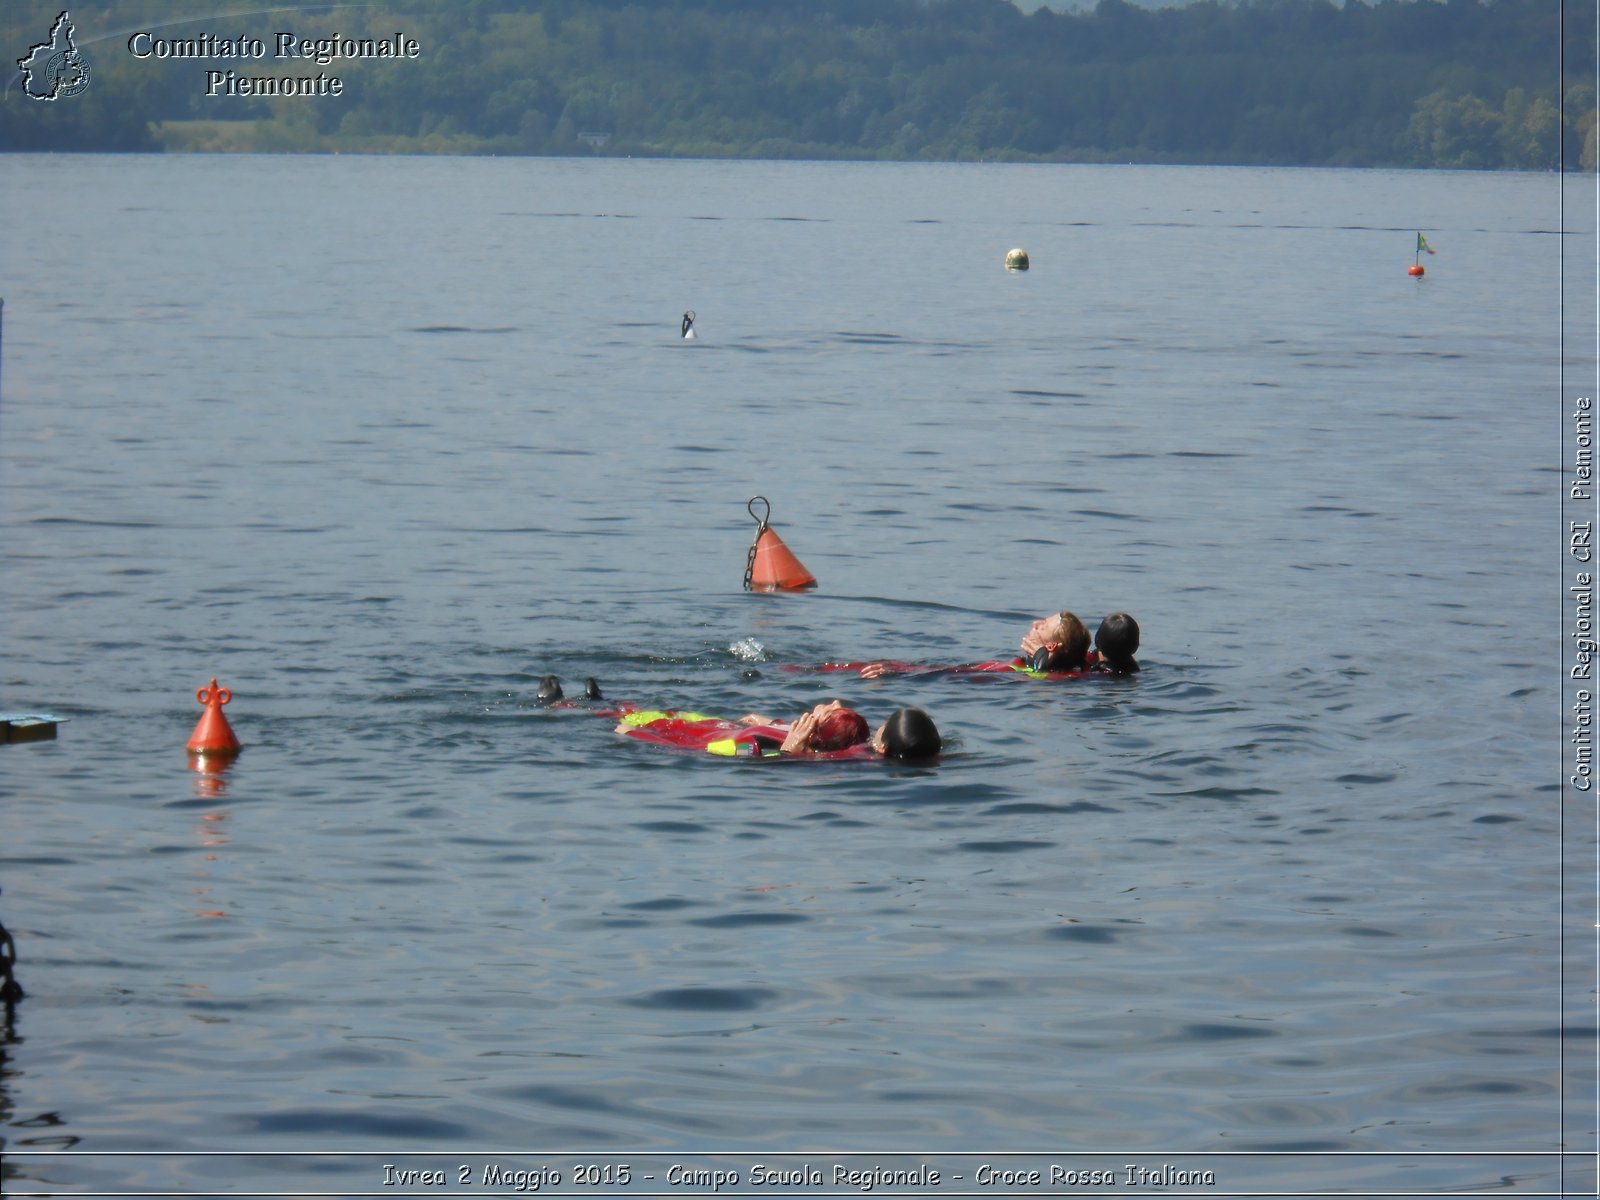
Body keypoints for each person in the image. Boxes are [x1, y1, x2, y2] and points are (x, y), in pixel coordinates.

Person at [617, 698, 941, 761]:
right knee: (656, 713)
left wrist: (789, 751)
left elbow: (691, 749)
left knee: (634, 722)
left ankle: (587, 707)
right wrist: (771, 723)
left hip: (723, 744)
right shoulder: (857, 745)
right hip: (724, 729)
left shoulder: (845, 755)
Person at [856, 609, 1098, 679]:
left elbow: (951, 675)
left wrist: (895, 674)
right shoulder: (1079, 666)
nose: (1035, 623)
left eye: (1043, 625)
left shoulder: (1028, 675)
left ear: (1052, 646)